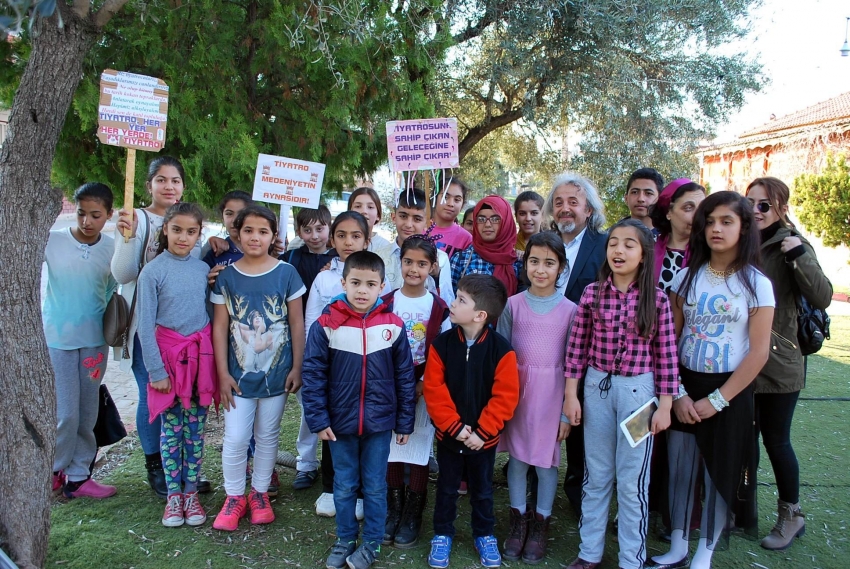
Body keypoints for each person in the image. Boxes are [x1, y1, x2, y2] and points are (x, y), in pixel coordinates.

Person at [649, 192, 775, 569]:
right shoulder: (686, 279)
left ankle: (705, 552)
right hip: (684, 386)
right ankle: (678, 545)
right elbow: (669, 340)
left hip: (730, 391)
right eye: (710, 221)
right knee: (680, 470)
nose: (716, 228)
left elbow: (758, 353)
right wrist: (680, 395)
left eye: (727, 221)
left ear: (743, 227)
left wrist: (718, 400)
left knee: (718, 472)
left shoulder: (757, 284)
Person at [562, 219, 678, 569]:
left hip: (639, 396)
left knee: (631, 480)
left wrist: (666, 406)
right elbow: (576, 348)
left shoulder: (656, 300)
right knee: (596, 475)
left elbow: (667, 356)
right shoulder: (592, 294)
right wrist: (571, 396)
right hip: (598, 389)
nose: (619, 250)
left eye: (629, 244)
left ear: (644, 255)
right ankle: (589, 553)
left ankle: (632, 558)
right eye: (614, 243)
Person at [302, 251, 416, 569]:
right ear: (343, 283)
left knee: (376, 485)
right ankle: (345, 538)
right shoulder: (326, 325)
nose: (362, 290)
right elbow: (313, 374)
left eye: (370, 284)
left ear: (382, 286)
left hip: (380, 425)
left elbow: (405, 377)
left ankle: (372, 543)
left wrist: (405, 421)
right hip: (339, 424)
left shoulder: (392, 326)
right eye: (355, 282)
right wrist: (318, 418)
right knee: (344, 483)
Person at [111, 156, 206, 498]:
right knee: (153, 396)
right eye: (161, 180)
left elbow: (196, 272)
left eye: (175, 180)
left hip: (187, 337)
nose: (169, 186)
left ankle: (184, 470)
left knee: (187, 405)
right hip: (148, 329)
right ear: (148, 184)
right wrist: (126, 238)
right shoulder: (134, 218)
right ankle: (158, 468)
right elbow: (122, 274)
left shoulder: (190, 222)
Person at [745, 177, 832, 551]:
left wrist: (797, 255)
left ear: (781, 207)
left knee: (776, 441)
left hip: (779, 363)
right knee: (743, 440)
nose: (755, 211)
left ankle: (791, 514)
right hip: (740, 359)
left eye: (764, 205)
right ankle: (740, 511)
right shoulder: (742, 240)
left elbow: (823, 295)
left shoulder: (790, 244)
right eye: (750, 203)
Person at [210, 205, 306, 531]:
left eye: (263, 231)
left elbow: (296, 322)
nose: (255, 237)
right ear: (237, 233)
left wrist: (297, 366)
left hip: (277, 376)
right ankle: (234, 496)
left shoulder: (286, 273)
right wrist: (223, 374)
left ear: (273, 236)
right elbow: (220, 329)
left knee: (267, 437)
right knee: (236, 437)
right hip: (237, 378)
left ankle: (260, 493)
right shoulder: (227, 277)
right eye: (248, 230)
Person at [424, 274, 519, 569]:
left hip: (483, 440)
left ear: (480, 315)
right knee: (447, 488)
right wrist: (453, 426)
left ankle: (484, 534)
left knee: (482, 489)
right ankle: (442, 533)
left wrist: (483, 431)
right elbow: (434, 389)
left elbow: (505, 397)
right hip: (450, 437)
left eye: (461, 300)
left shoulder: (502, 350)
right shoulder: (442, 344)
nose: (452, 303)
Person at [496, 232, 577, 563]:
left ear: (561, 268)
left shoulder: (572, 310)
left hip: (551, 397)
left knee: (546, 463)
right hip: (517, 394)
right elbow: (500, 357)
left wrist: (564, 414)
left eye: (549, 263)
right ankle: (518, 521)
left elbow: (573, 364)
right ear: (524, 263)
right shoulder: (512, 305)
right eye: (534, 261)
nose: (541, 269)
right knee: (517, 460)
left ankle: (541, 521)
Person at [136, 202, 218, 527]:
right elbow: (145, 326)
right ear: (165, 231)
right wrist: (156, 371)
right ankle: (173, 497)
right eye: (177, 230)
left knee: (195, 432)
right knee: (172, 432)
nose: (183, 237)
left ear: (199, 234)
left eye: (191, 231)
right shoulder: (152, 272)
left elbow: (208, 315)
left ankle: (191, 493)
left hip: (199, 363)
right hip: (169, 365)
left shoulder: (201, 270)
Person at [304, 210, 387, 518]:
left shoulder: (377, 275)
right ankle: (330, 488)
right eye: (341, 235)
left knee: (366, 437)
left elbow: (383, 315)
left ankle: (363, 493)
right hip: (333, 367)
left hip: (367, 369)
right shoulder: (325, 277)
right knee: (334, 432)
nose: (348, 242)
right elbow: (313, 318)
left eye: (356, 236)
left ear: (367, 239)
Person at [46, 183, 118, 499]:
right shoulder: (52, 242)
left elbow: (112, 289)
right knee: (65, 413)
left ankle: (79, 476)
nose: (87, 221)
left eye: (96, 215)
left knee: (87, 412)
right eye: (81, 213)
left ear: (109, 216)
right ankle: (53, 472)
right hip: (57, 340)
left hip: (94, 342)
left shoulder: (113, 248)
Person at [542, 171, 607, 513]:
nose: (565, 209)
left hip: (587, 354)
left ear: (589, 210)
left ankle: (581, 492)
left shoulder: (605, 245)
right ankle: (540, 482)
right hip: (544, 350)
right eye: (559, 202)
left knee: (582, 427)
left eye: (573, 202)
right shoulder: (545, 243)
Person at [382, 235, 451, 549]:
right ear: (401, 263)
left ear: (432, 267)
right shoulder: (386, 302)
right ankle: (393, 507)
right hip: (391, 387)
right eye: (408, 261)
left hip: (424, 387)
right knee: (392, 446)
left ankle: (413, 511)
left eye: (422, 263)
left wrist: (426, 384)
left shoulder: (438, 308)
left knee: (418, 447)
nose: (414, 269)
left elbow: (443, 351)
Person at [283, 205, 338, 491]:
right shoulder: (291, 257)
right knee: (308, 406)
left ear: (329, 229)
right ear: (298, 231)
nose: (314, 235)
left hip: (335, 344)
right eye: (307, 229)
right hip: (301, 338)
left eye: (320, 228)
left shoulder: (338, 261)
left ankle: (335, 465)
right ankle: (306, 463)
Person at [386, 189, 454, 306]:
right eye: (403, 216)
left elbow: (447, 304)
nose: (408, 224)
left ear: (428, 223)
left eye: (417, 219)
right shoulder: (379, 256)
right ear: (393, 217)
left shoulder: (440, 259)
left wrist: (436, 277)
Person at [450, 195, 523, 295]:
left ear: (506, 222)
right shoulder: (461, 260)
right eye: (481, 219)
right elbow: (449, 299)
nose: (487, 224)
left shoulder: (518, 262)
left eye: (495, 219)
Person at [650, 179, 706, 293]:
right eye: (688, 208)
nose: (697, 216)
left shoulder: (708, 251)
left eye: (702, 209)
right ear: (668, 212)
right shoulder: (648, 247)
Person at [202, 190, 253, 268]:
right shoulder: (215, 252)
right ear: (222, 217)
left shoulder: (263, 249)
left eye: (241, 214)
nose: (235, 220)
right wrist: (211, 278)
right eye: (229, 214)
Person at [348, 187, 394, 264]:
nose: (364, 211)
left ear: (378, 215)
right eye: (358, 206)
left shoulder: (385, 246)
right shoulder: (343, 240)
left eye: (370, 207)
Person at [432, 178, 473, 258]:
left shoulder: (466, 239)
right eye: (445, 197)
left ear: (462, 205)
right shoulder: (420, 229)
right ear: (434, 198)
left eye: (457, 200)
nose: (451, 204)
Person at [624, 168, 663, 234]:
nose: (641, 199)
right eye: (635, 192)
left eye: (648, 193)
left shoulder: (669, 238)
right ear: (626, 198)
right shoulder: (611, 235)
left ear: (659, 199)